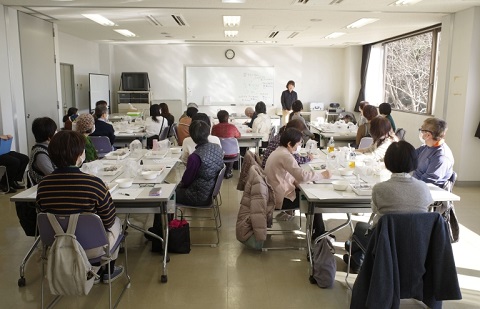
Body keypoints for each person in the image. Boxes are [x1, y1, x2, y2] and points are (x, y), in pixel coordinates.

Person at [36, 130, 124, 283]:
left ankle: (90, 270)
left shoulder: (43, 185)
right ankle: (106, 271)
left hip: (57, 245)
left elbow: (43, 214)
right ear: (79, 155)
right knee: (117, 222)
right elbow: (108, 220)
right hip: (92, 247)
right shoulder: (94, 183)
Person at [344, 141, 433, 272]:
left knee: (360, 228)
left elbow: (374, 210)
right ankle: (358, 258)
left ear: (387, 162)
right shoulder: (423, 187)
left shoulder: (380, 188)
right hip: (417, 243)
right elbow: (427, 206)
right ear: (414, 162)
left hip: (384, 243)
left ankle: (358, 261)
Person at [264, 128, 331, 238]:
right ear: (290, 144)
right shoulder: (285, 155)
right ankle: (319, 234)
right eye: (299, 144)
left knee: (307, 192)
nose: (299, 146)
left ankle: (317, 231)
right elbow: (302, 176)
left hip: (274, 192)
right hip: (279, 198)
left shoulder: (279, 151)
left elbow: (291, 175)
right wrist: (323, 175)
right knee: (314, 201)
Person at [413, 117, 454, 187]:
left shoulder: (441, 157)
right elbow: (410, 157)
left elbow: (426, 182)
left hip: (427, 191)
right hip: (416, 185)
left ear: (428, 135)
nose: (421, 132)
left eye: (422, 130)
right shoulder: (426, 147)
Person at [211, 110, 241, 179]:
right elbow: (238, 135)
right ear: (228, 117)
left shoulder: (215, 127)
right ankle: (228, 171)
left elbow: (213, 137)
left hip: (219, 154)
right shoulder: (232, 127)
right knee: (231, 150)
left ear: (218, 118)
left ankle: (221, 171)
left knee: (222, 150)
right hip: (232, 155)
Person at [27, 117, 57, 186]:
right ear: (49, 137)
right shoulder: (41, 155)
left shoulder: (49, 148)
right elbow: (54, 176)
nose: (57, 133)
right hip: (45, 190)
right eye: (55, 131)